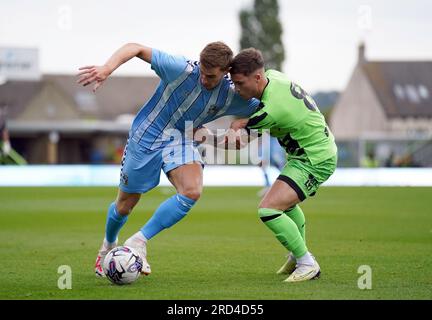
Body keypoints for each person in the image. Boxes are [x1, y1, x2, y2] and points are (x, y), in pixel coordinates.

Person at [77, 42, 259, 277]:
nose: (203, 79)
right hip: (146, 137)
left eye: (210, 76)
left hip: (181, 139)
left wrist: (242, 126)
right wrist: (107, 68)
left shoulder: (234, 94)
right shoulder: (180, 69)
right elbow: (135, 48)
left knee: (192, 191)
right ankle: (107, 247)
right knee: (125, 205)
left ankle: (138, 241)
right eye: (202, 72)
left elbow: (265, 109)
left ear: (226, 72)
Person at [229, 48, 338, 282]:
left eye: (239, 83)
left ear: (257, 77)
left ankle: (307, 263)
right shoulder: (275, 76)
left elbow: (236, 143)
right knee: (285, 206)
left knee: (268, 209)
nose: (237, 89)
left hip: (314, 159)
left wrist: (203, 134)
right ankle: (296, 255)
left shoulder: (271, 111)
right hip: (309, 154)